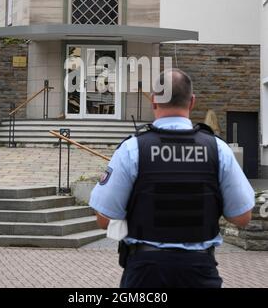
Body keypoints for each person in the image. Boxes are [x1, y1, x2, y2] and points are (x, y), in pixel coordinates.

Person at [89, 69, 255, 288]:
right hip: (199, 270)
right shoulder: (218, 149)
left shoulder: (132, 149)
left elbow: (104, 219)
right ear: (192, 101)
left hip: (145, 272)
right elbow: (242, 217)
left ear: (154, 101)